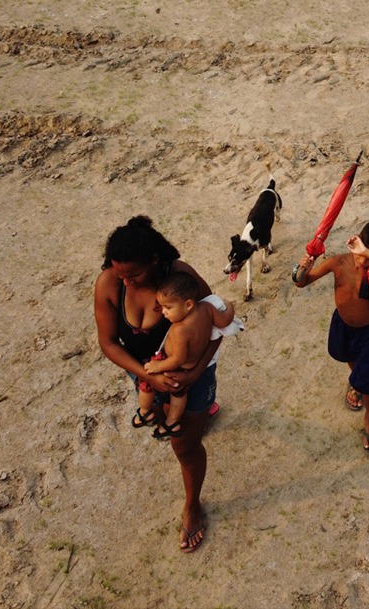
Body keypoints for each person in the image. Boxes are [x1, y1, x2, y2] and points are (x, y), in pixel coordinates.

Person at [93, 215, 226, 553]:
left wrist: (194, 374)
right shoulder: (109, 283)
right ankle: (198, 416)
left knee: (183, 445)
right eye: (119, 272)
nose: (126, 282)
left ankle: (192, 504)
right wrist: (145, 374)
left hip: (189, 375)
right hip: (142, 372)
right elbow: (108, 343)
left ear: (154, 261)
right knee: (155, 413)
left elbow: (219, 322)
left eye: (134, 275)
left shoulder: (179, 277)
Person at [292, 220, 369, 452]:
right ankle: (357, 381)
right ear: (356, 240)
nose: (362, 260)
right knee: (345, 355)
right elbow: (302, 283)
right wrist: (300, 269)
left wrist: (368, 254)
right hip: (342, 325)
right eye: (360, 252)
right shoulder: (338, 262)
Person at [137, 271, 236, 441]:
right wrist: (230, 306)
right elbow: (224, 321)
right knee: (179, 393)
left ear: (188, 304)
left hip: (174, 364)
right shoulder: (207, 309)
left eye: (168, 308)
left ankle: (145, 413)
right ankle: (172, 422)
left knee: (146, 383)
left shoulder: (179, 330)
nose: (163, 313)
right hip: (192, 365)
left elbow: (178, 358)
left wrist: (157, 366)